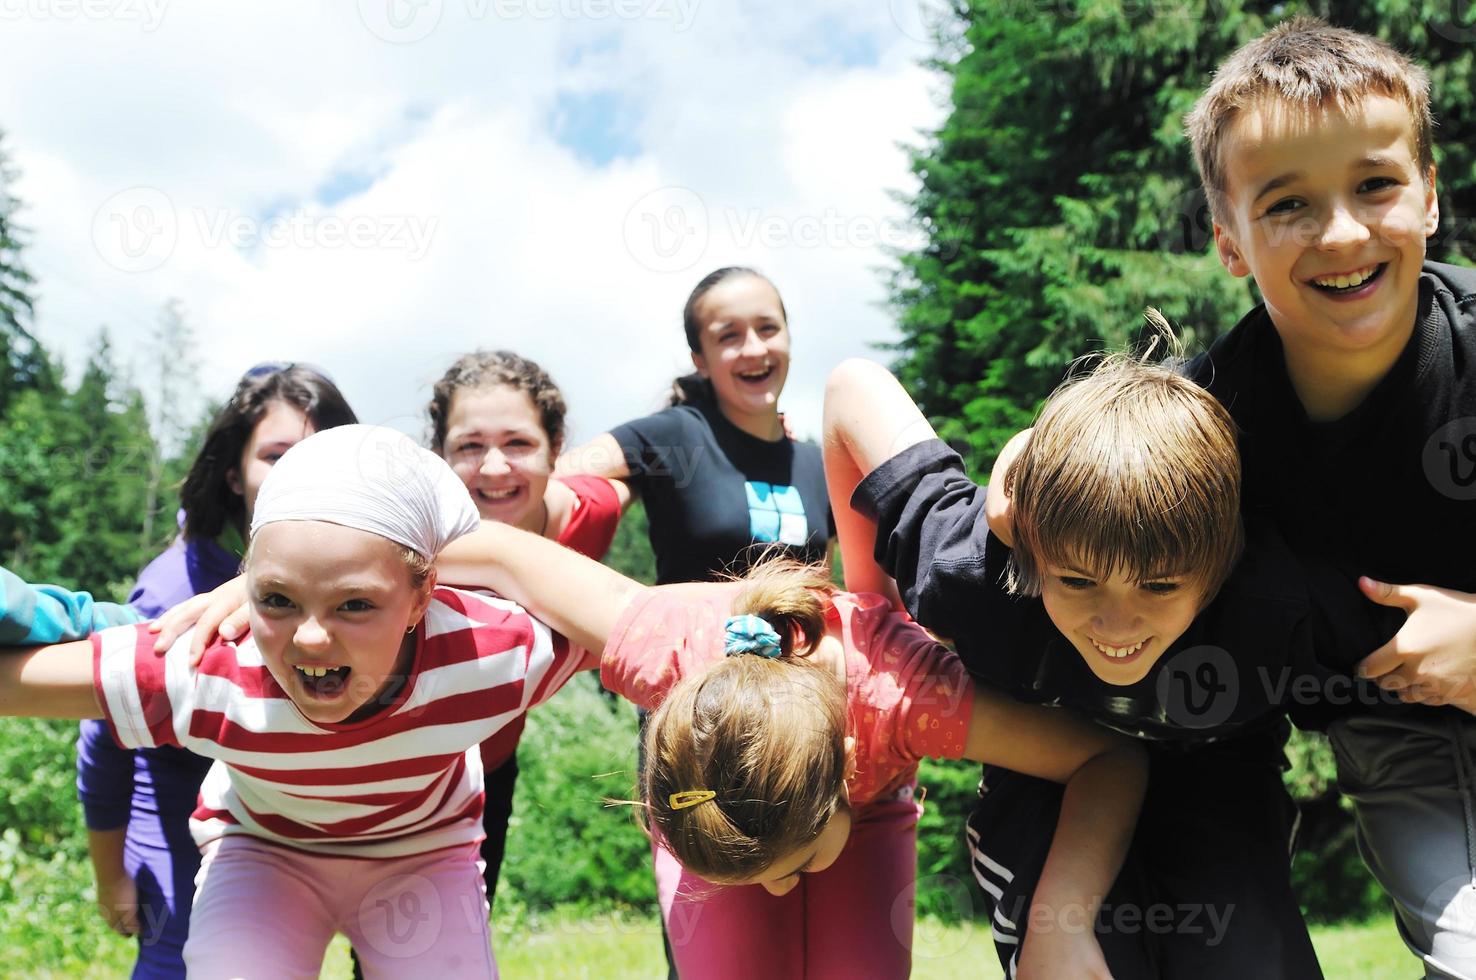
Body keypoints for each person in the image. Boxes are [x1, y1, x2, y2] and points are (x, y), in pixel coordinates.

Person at [823, 346, 1400, 978]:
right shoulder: (976, 572)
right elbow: (852, 390)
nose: (1116, 625)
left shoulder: (1284, 609)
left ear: (1221, 570)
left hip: (1217, 772)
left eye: (1158, 587)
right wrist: (870, 628)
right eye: (1076, 581)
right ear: (1033, 552)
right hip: (1045, 769)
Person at [2, 425, 592, 978]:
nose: (310, 637)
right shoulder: (211, 667)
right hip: (263, 855)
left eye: (355, 604)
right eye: (278, 600)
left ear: (421, 602)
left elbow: (659, 634)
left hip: (423, 858)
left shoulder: (490, 654)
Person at [430, 524, 1146, 979]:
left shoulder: (908, 699)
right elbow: (501, 554)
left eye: (792, 869)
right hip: (736, 801)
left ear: (844, 765)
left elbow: (1108, 759)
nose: (780, 889)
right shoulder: (662, 646)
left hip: (865, 809)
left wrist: (1066, 919)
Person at [1183, 18, 1476, 977]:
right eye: (1288, 204)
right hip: (1400, 745)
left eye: (1376, 185)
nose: (1343, 233)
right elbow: (1087, 460)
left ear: (1430, 196)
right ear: (1230, 241)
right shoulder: (1208, 420)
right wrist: (1032, 457)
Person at [75, 362, 355, 978]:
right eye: (277, 454)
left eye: (320, 454)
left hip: (274, 827)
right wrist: (109, 876)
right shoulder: (174, 591)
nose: (299, 474)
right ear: (234, 474)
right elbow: (103, 739)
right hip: (175, 822)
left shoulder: (354, 572)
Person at [426, 349, 627, 907]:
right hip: (387, 767)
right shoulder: (407, 538)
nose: (493, 467)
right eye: (469, 445)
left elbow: (642, 458)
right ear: (439, 456)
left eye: (518, 443)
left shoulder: (590, 513)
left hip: (490, 770)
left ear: (556, 450)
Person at [560, 266, 833, 583]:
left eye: (768, 328)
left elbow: (824, 587)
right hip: (689, 633)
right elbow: (551, 477)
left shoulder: (819, 466)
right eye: (729, 336)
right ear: (700, 359)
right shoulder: (673, 435)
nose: (755, 349)